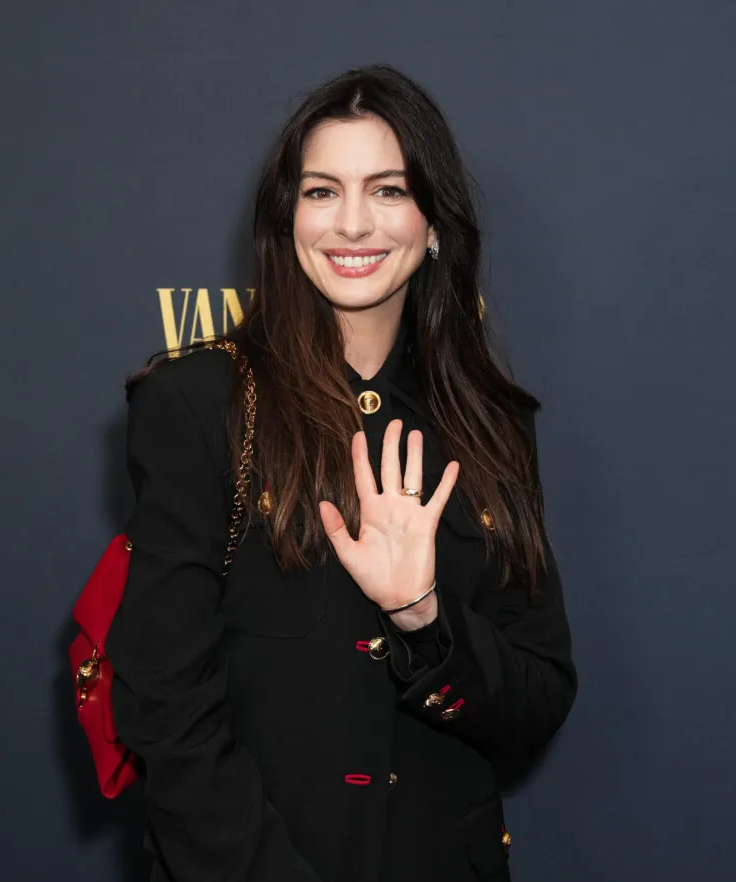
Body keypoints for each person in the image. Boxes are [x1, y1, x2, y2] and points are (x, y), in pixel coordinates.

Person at [105, 63, 576, 882]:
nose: (352, 224)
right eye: (322, 191)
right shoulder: (198, 406)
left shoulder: (492, 424)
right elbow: (165, 710)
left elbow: (535, 707)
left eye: (388, 190)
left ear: (434, 224)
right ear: (285, 218)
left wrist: (424, 617)